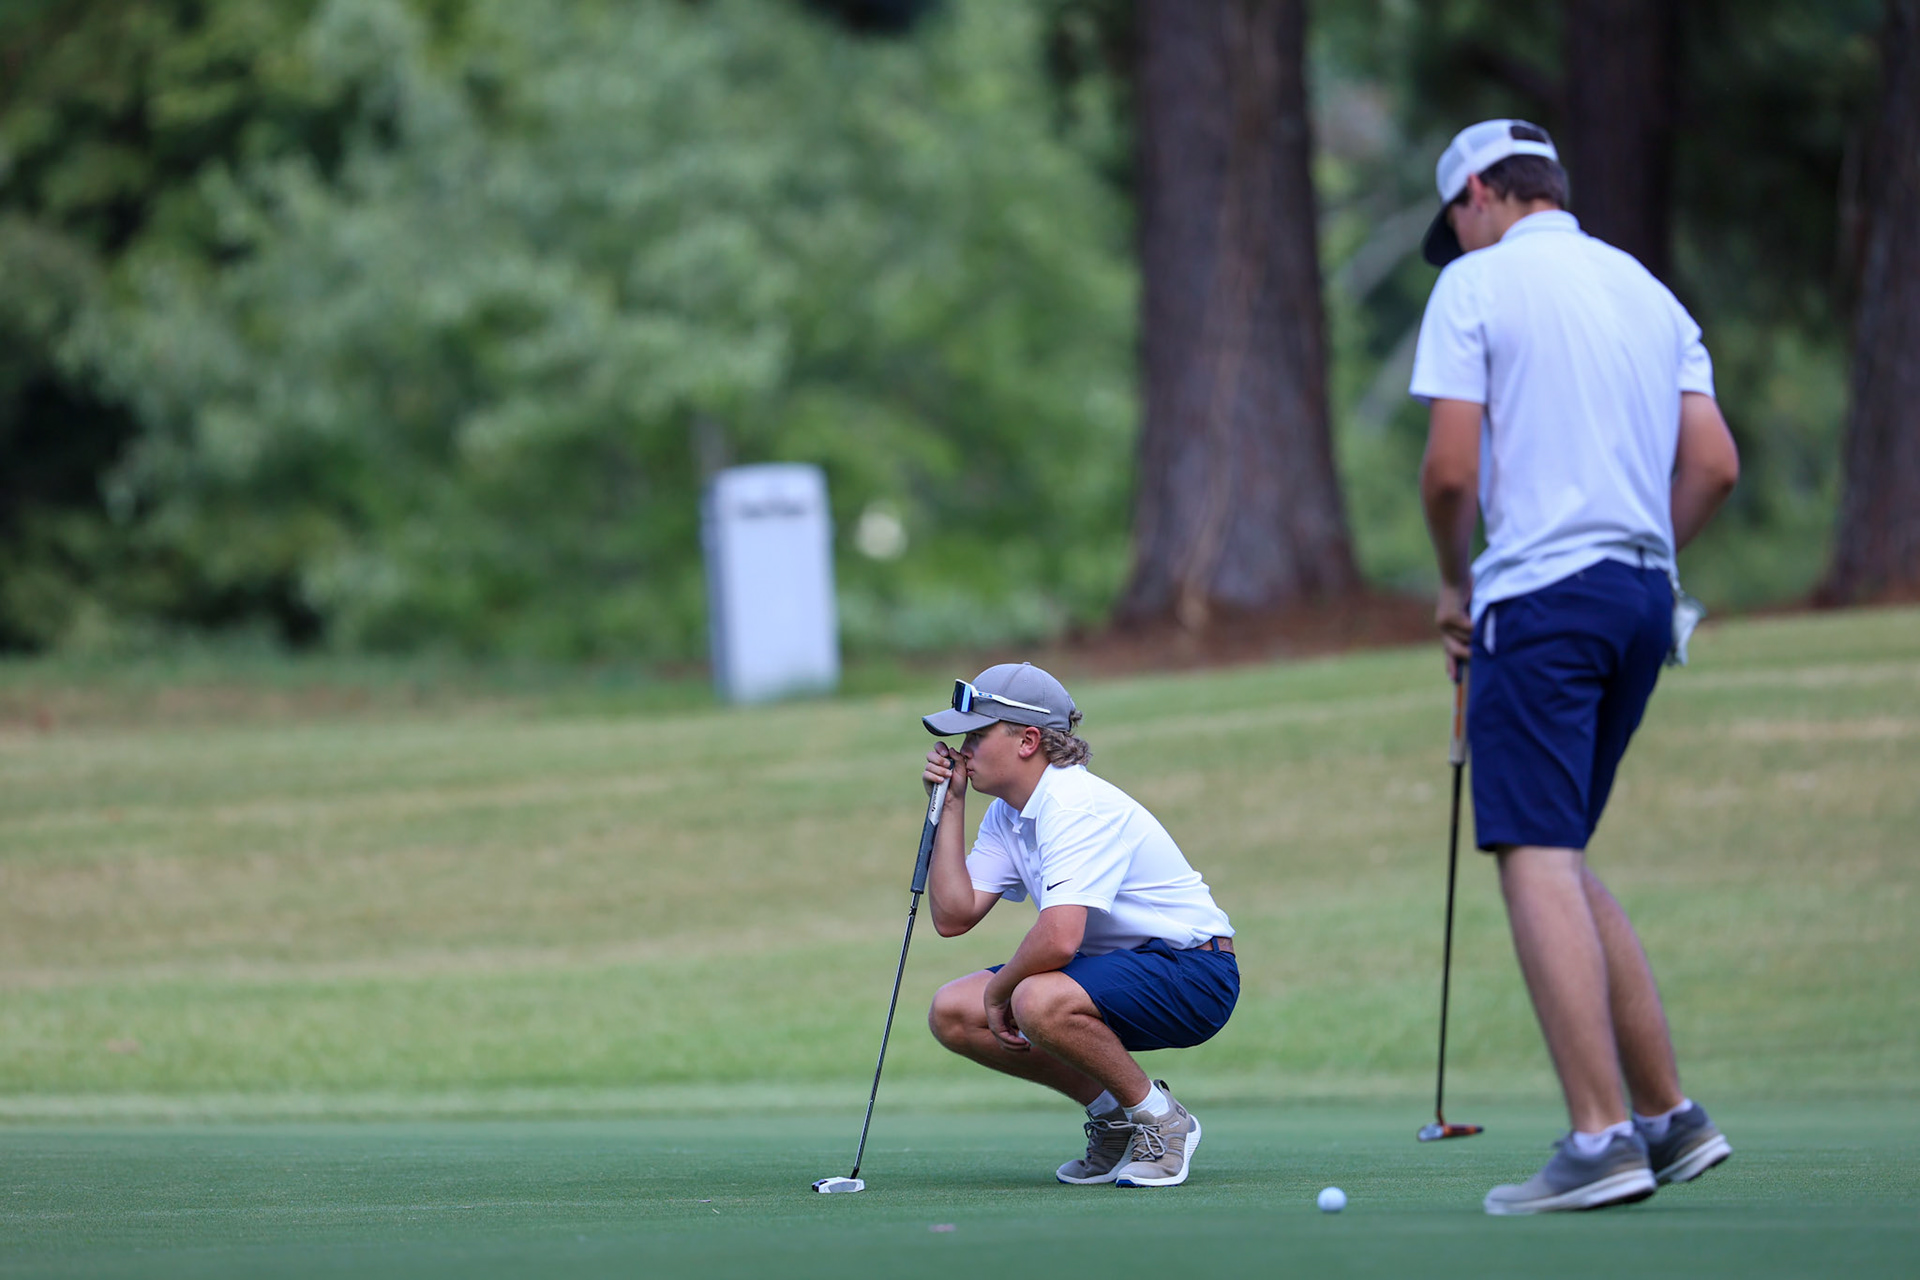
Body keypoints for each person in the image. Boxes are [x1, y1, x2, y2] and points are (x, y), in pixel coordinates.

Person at [1411, 119, 1743, 1215]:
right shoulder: (1650, 292)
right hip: (1643, 594)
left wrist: (1456, 586)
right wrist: (1637, 550)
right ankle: (1670, 1115)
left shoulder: (1478, 285)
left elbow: (1451, 471)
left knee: (1533, 852)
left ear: (1478, 196)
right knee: (1562, 845)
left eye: (1453, 222)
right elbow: (1714, 464)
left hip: (1541, 597)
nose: (1455, 242)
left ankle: (1599, 1137)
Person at [919, 662, 1238, 1188]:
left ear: (1027, 740)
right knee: (953, 1011)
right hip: (1122, 969)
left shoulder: (1074, 804)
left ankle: (1164, 1121)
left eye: (976, 734)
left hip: (1195, 973)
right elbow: (953, 916)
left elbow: (1060, 938)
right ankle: (1115, 1117)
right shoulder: (1007, 812)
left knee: (1032, 999)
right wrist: (949, 803)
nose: (961, 750)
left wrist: (1001, 991)